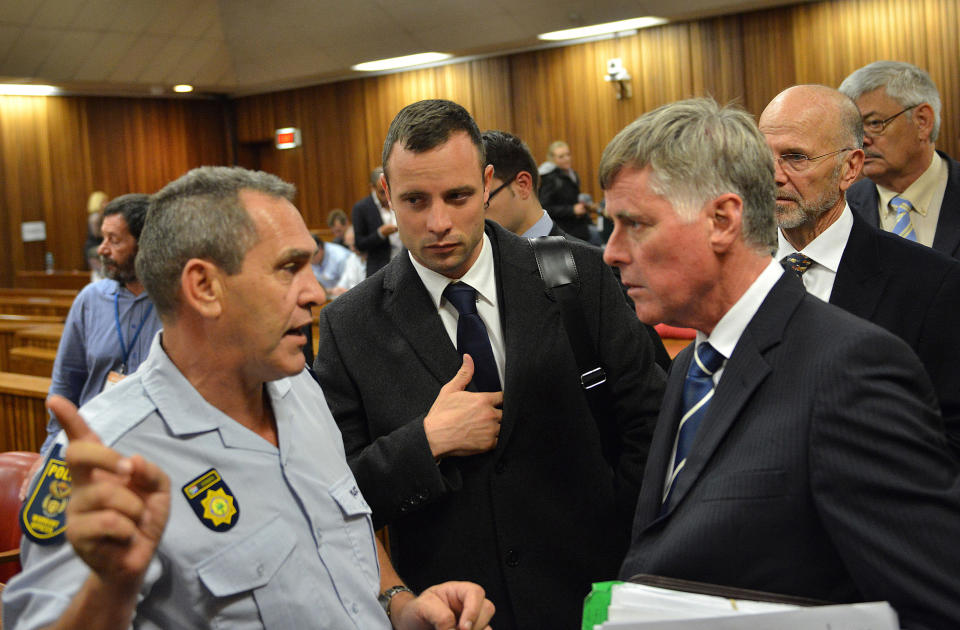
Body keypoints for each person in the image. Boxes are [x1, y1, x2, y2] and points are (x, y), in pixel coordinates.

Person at [3, 166, 495, 630]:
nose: (315, 292)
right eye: (289, 268)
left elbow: (345, 529)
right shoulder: (108, 457)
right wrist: (110, 591)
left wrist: (400, 605)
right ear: (204, 287)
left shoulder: (299, 387)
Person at [603, 97, 960, 629]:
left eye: (635, 225)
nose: (611, 251)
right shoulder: (690, 366)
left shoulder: (851, 370)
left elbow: (935, 607)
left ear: (722, 221)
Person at [314, 100, 665, 630]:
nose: (439, 223)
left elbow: (650, 420)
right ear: (385, 195)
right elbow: (338, 497)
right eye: (414, 201)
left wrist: (623, 541)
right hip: (455, 612)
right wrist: (425, 443)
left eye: (458, 197)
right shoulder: (349, 324)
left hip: (596, 594)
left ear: (486, 183)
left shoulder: (577, 275)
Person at [760, 84, 960, 456]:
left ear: (849, 168)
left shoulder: (931, 284)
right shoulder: (735, 273)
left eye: (795, 157)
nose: (772, 175)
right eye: (761, 156)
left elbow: (947, 438)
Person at [481, 128, 672, 373]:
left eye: (485, 200)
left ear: (522, 185)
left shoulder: (589, 267)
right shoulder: (478, 270)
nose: (474, 214)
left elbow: (650, 370)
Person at [45, 193, 162, 453]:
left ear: (145, 244)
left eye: (114, 240)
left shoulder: (176, 303)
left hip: (154, 449)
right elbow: (66, 383)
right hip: (92, 444)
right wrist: (51, 451)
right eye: (102, 238)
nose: (101, 249)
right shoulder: (90, 299)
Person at [839, 61, 960, 259]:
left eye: (874, 123)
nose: (861, 141)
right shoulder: (842, 210)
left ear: (922, 121)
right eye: (854, 129)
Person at [538, 140, 594, 241]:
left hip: (578, 228)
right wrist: (571, 210)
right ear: (552, 159)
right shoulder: (549, 178)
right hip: (563, 232)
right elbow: (545, 208)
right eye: (561, 156)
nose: (566, 159)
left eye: (568, 154)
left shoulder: (573, 174)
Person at [353, 166, 402, 276]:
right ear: (372, 188)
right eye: (381, 192)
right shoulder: (362, 208)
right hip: (379, 269)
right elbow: (359, 244)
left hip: (405, 266)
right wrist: (380, 234)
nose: (386, 197)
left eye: (389, 190)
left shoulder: (399, 201)